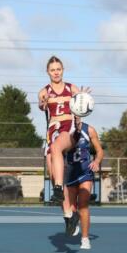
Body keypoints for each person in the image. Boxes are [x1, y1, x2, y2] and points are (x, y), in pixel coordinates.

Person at [38, 56, 88, 203]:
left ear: (63, 70)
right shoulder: (44, 92)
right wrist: (44, 102)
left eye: (58, 69)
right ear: (47, 72)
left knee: (56, 147)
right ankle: (69, 216)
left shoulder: (72, 88)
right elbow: (41, 106)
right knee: (52, 173)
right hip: (52, 131)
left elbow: (81, 108)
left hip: (69, 129)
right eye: (52, 70)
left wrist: (84, 99)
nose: (56, 72)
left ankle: (58, 188)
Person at [63, 116, 104, 249]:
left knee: (83, 205)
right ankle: (74, 224)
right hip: (70, 172)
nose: (75, 116)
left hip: (85, 172)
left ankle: (85, 238)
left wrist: (96, 161)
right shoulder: (64, 132)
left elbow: (99, 151)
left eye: (77, 114)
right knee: (71, 207)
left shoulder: (89, 130)